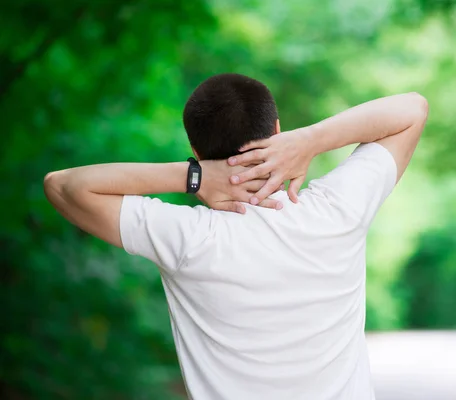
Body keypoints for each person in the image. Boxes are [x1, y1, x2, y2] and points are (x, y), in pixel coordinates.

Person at [44, 73, 428, 400]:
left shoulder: (189, 239)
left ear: (195, 150)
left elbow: (63, 187)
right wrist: (309, 140)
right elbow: (412, 109)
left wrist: (191, 177)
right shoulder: (336, 211)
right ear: (277, 128)